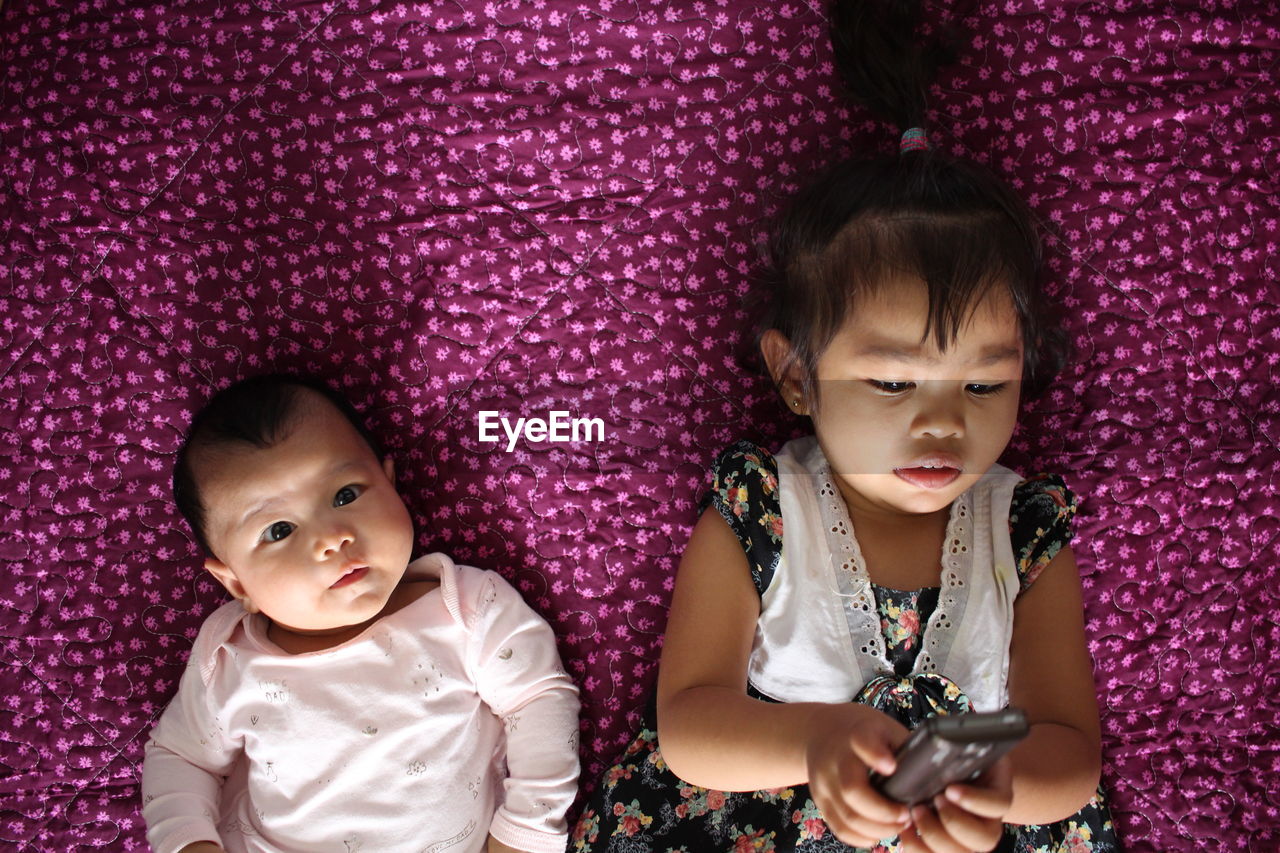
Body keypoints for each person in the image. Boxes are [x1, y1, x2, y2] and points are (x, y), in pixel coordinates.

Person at [570, 1, 1119, 851]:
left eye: (984, 381)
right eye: (893, 379)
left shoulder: (1026, 531)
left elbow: (1072, 753)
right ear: (795, 375)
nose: (942, 421)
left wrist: (1004, 790)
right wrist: (813, 739)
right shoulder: (761, 509)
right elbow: (687, 721)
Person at [141, 374, 580, 853]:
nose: (331, 538)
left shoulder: (467, 608)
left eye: (345, 495)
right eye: (280, 530)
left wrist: (527, 830)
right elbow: (181, 758)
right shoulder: (227, 657)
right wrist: (187, 843)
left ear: (390, 485)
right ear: (236, 582)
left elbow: (538, 700)